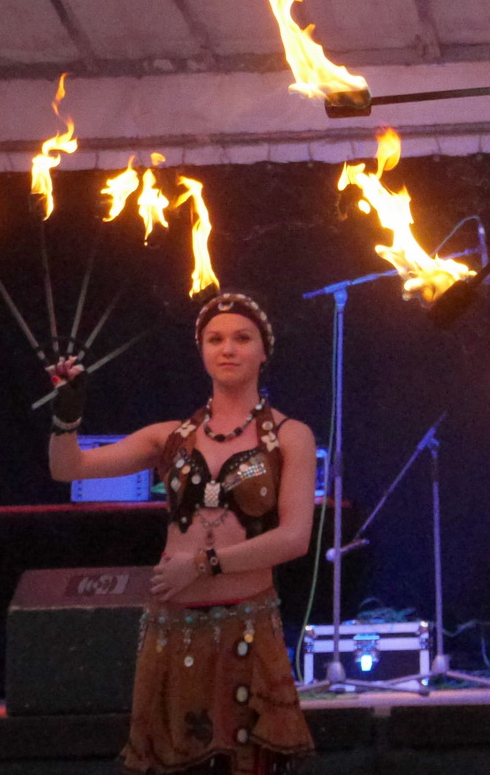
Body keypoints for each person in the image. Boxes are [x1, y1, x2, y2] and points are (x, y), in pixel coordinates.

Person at [47, 292, 317, 775]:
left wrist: (202, 565)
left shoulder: (290, 435)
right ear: (201, 351)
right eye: (215, 339)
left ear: (263, 351)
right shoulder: (169, 436)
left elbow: (295, 538)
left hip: (245, 629)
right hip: (173, 629)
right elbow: (68, 468)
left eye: (242, 338)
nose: (227, 348)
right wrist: (66, 415)